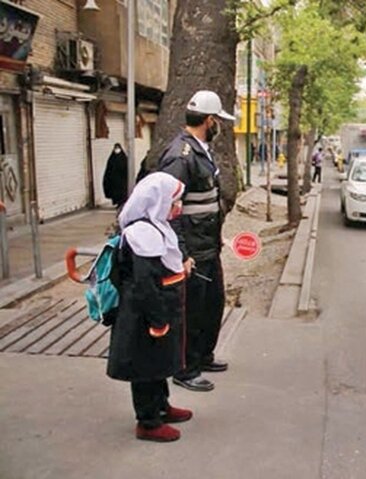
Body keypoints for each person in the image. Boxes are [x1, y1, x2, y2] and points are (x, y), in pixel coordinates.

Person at [157, 90, 235, 392]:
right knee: (190, 312)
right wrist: (181, 253)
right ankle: (185, 369)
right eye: (219, 122)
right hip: (191, 250)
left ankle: (203, 356)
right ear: (209, 120)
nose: (220, 128)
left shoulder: (201, 150)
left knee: (212, 304)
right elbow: (168, 209)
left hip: (208, 246)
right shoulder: (180, 156)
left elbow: (205, 203)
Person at [109, 172, 192, 442]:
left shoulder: (156, 226)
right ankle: (148, 421)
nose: (177, 207)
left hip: (159, 307)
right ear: (157, 202)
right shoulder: (142, 234)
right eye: (173, 202)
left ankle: (161, 405)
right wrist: (157, 320)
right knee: (145, 365)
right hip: (144, 314)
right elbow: (144, 284)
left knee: (159, 360)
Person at [102, 143, 128, 209]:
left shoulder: (124, 158)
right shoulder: (112, 158)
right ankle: (118, 202)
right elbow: (109, 169)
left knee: (122, 193)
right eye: (116, 148)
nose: (117, 150)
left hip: (122, 180)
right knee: (116, 193)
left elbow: (126, 169)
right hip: (114, 180)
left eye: (118, 148)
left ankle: (121, 203)